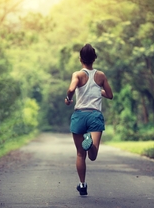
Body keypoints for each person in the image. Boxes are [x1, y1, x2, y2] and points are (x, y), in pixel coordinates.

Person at [65, 44, 113, 196]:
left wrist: (68, 98)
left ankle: (82, 185)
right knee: (92, 156)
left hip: (79, 115)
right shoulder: (101, 76)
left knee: (80, 154)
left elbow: (72, 89)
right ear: (94, 58)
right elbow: (110, 95)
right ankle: (90, 144)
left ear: (80, 59)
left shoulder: (78, 75)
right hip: (94, 115)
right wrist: (98, 90)